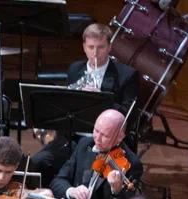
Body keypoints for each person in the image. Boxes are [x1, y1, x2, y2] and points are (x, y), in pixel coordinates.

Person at [30, 24, 142, 185]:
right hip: (74, 138)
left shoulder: (126, 75)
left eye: (101, 47)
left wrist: (102, 100)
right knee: (39, 162)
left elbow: (129, 116)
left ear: (110, 47)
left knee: (90, 176)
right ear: (84, 47)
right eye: (91, 47)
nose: (95, 53)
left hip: (106, 143)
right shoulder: (75, 69)